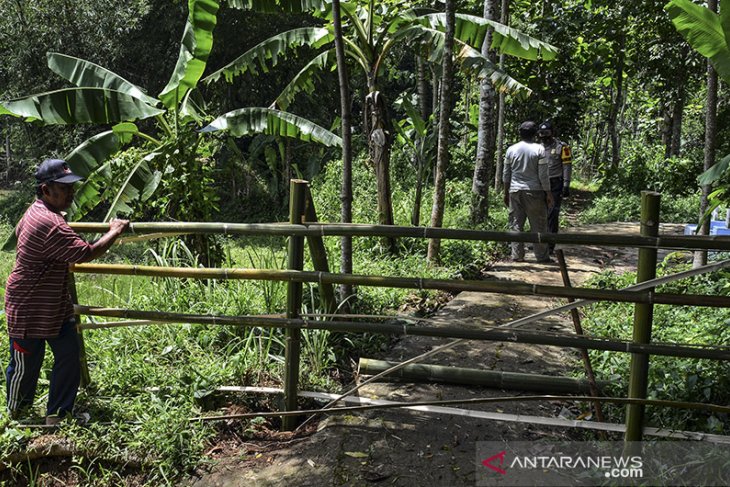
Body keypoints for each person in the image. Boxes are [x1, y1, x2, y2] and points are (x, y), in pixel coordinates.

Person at [5, 159, 129, 425]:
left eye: (71, 187)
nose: (71, 192)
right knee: (25, 366)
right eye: (64, 188)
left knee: (69, 356)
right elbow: (85, 252)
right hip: (28, 306)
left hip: (54, 304)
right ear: (46, 189)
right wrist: (114, 231)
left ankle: (58, 415)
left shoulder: (36, 211)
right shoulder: (50, 223)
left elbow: (18, 232)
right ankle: (16, 417)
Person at [502, 121, 553, 263]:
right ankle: (542, 256)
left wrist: (506, 193)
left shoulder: (511, 150)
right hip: (534, 191)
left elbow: (506, 174)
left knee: (516, 223)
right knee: (538, 224)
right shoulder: (539, 149)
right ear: (535, 134)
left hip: (515, 191)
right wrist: (548, 193)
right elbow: (543, 175)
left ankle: (517, 255)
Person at [538, 121, 572, 253]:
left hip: (555, 183)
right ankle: (539, 241)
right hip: (540, 183)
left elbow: (567, 165)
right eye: (541, 133)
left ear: (552, 132)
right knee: (540, 213)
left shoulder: (562, 147)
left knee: (552, 214)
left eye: (546, 133)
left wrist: (566, 184)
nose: (544, 136)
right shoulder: (537, 147)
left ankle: (550, 244)